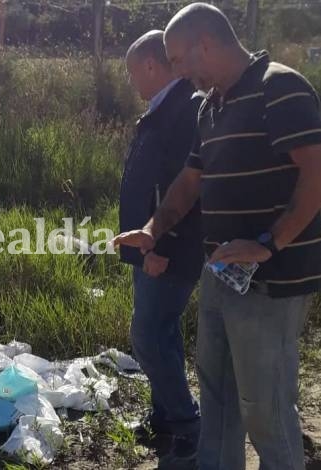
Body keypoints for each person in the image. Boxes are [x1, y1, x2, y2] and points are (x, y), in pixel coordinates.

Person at [115, 3, 321, 469]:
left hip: (273, 280)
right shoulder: (209, 106)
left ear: (204, 44)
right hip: (221, 275)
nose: (179, 72)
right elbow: (189, 182)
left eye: (179, 60)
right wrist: (152, 230)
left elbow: (316, 174)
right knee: (218, 400)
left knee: (264, 409)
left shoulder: (280, 88)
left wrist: (269, 243)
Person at [119, 30, 203, 468]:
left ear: (151, 65)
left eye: (134, 71)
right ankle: (164, 417)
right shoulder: (164, 109)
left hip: (166, 249)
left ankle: (188, 426)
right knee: (159, 333)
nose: (132, 81)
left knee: (149, 336)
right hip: (148, 246)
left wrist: (157, 246)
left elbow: (183, 190)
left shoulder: (185, 111)